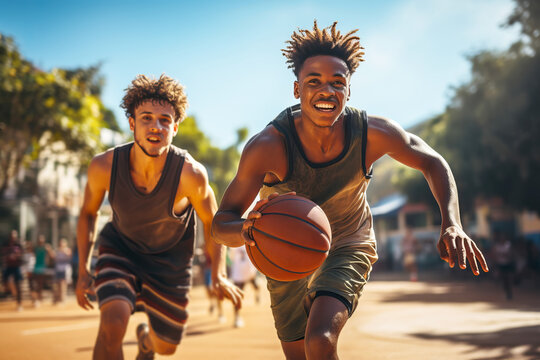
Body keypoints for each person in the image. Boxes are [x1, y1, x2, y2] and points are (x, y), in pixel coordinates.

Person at [212, 21, 489, 360]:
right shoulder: (269, 146)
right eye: (313, 81)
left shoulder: (372, 133)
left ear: (349, 90)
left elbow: (433, 163)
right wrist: (245, 229)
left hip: (348, 241)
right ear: (296, 90)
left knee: (320, 340)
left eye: (337, 82)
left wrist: (452, 222)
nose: (326, 90)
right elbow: (219, 223)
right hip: (283, 253)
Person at [75, 74, 243, 360]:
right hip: (121, 250)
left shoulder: (191, 175)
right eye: (146, 118)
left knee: (166, 347)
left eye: (165, 120)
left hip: (170, 262)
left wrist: (218, 274)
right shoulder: (104, 166)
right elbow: (87, 214)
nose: (156, 126)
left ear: (175, 127)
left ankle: (146, 343)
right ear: (132, 124)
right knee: (112, 325)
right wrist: (82, 270)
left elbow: (212, 222)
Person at [229, 246, 260, 328]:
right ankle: (237, 318)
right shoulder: (232, 245)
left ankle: (257, 293)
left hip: (250, 272)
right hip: (238, 274)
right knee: (236, 297)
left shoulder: (249, 239)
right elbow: (231, 257)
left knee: (256, 286)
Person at [2, 230, 23, 311]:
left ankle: (19, 303)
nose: (13, 236)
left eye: (14, 234)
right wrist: (8, 256)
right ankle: (10, 292)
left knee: (18, 285)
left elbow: (22, 255)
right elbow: (3, 254)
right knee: (5, 281)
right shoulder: (5, 244)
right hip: (8, 266)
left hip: (16, 267)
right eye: (11, 234)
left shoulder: (19, 244)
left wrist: (17, 256)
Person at [30, 234, 52, 307]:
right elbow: (31, 254)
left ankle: (39, 298)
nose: (40, 241)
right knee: (35, 283)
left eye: (42, 239)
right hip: (36, 267)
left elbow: (52, 255)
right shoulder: (35, 248)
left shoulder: (45, 247)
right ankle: (36, 298)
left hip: (42, 267)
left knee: (40, 284)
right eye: (39, 239)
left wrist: (49, 249)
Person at [51, 238, 72, 304]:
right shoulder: (57, 250)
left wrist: (62, 250)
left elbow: (69, 255)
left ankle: (63, 298)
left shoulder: (67, 250)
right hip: (57, 269)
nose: (61, 244)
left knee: (63, 284)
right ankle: (57, 298)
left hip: (65, 269)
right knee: (57, 284)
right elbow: (53, 257)